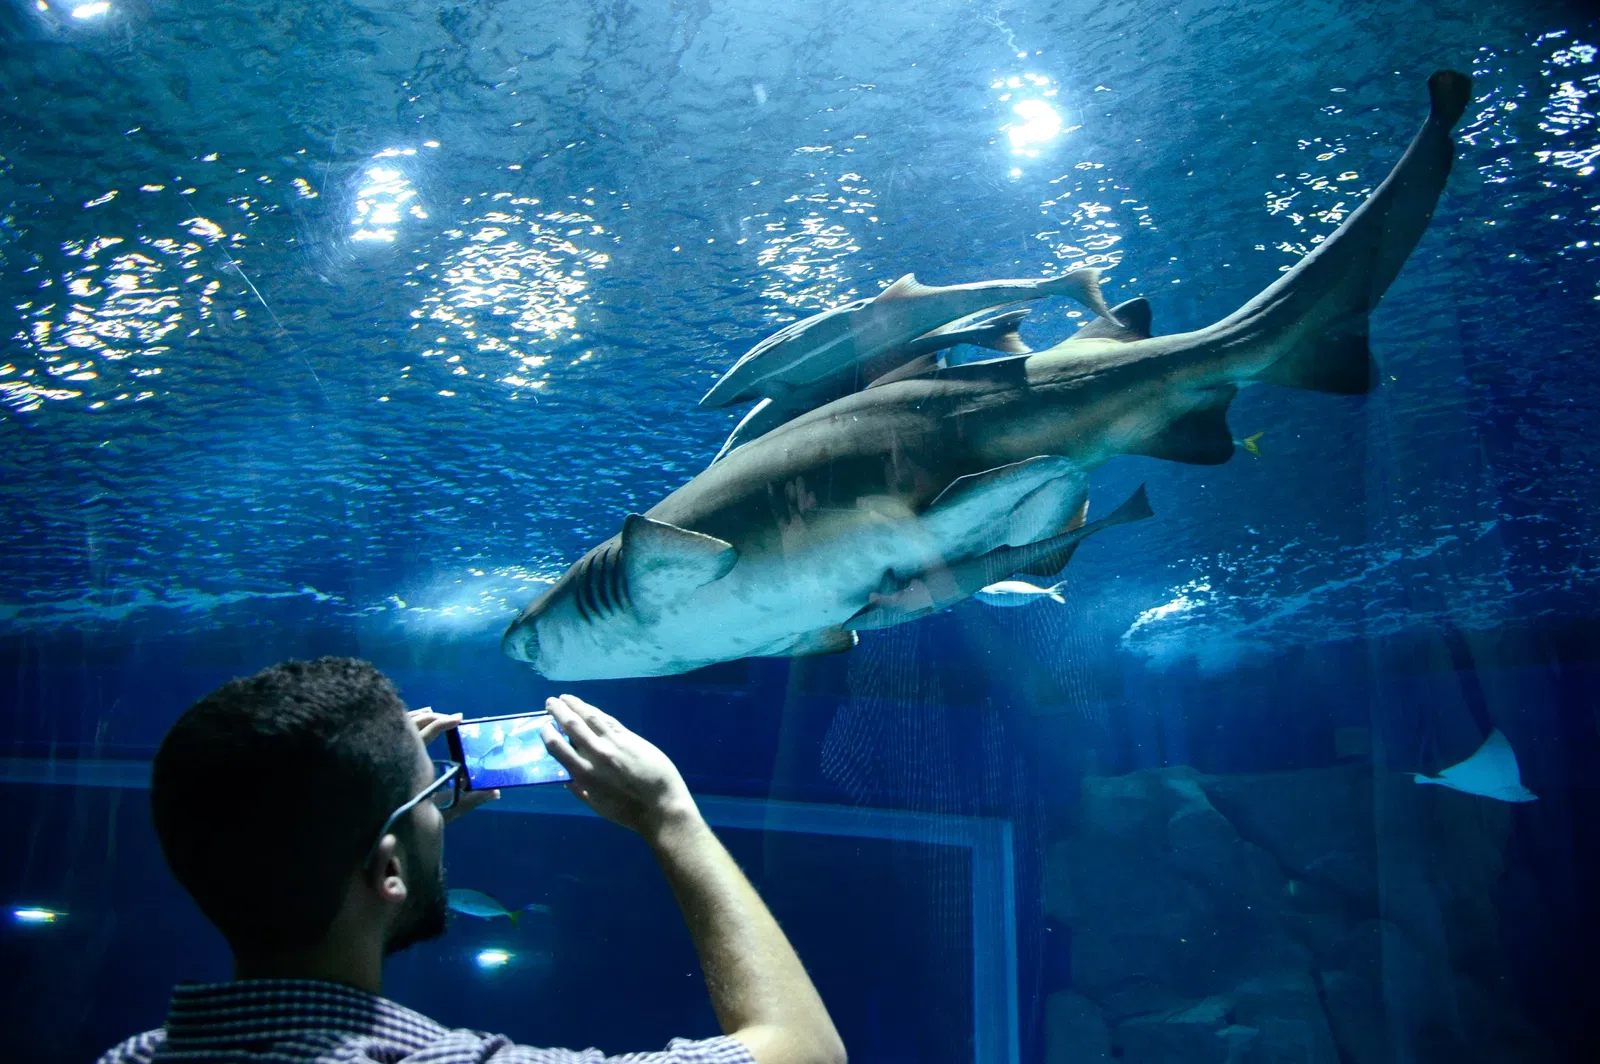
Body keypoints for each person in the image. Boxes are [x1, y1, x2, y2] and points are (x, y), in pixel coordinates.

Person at [97, 657, 846, 1064]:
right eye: (428, 801)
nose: (441, 812)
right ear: (386, 871)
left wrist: (388, 816)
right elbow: (802, 1053)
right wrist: (670, 816)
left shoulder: (130, 1056)